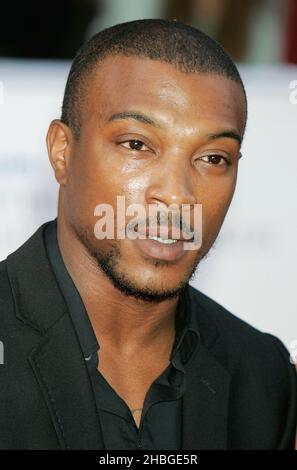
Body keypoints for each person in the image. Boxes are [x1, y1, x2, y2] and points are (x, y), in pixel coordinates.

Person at [0, 19, 296, 450]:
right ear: (63, 153)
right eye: (137, 144)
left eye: (213, 157)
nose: (176, 195)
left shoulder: (262, 377)